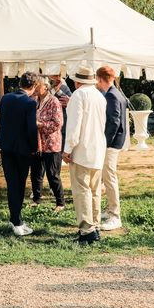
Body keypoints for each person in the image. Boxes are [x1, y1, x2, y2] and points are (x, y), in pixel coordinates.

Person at [62, 66, 107, 245]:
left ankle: (86, 229)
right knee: (95, 190)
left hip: (82, 148)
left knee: (82, 190)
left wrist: (67, 149)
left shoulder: (78, 95)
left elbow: (74, 125)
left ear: (77, 81)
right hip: (97, 147)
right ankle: (95, 225)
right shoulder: (99, 96)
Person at [0, 71, 39, 236]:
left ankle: (15, 218)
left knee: (12, 183)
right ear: (33, 86)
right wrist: (34, 148)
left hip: (6, 146)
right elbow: (31, 129)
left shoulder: (5, 98)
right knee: (18, 185)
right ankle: (16, 222)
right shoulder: (30, 103)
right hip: (22, 149)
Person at [96, 65, 127, 232]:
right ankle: (110, 210)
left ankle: (115, 216)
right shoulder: (116, 93)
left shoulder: (112, 95)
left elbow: (114, 121)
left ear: (100, 79)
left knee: (109, 177)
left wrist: (105, 142)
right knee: (107, 177)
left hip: (112, 143)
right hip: (115, 142)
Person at [31, 77, 65, 211]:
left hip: (51, 143)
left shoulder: (53, 101)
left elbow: (57, 123)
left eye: (37, 85)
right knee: (36, 173)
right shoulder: (34, 101)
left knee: (53, 175)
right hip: (37, 143)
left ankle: (60, 203)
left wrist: (40, 125)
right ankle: (36, 199)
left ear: (45, 86)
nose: (35, 88)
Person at [49, 74, 72, 148]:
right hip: (49, 120)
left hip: (63, 119)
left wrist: (58, 90)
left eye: (58, 76)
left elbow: (70, 100)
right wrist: (55, 89)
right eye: (55, 76)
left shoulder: (64, 87)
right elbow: (47, 98)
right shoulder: (46, 86)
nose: (57, 78)